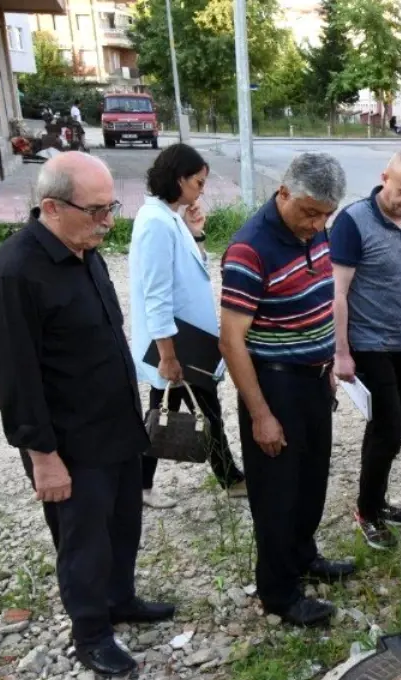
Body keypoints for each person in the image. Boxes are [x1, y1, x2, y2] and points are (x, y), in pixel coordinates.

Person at [0, 152, 172, 677]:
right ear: (51, 206)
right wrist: (43, 456)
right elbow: (16, 378)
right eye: (96, 211)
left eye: (112, 208)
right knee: (83, 540)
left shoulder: (85, 249)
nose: (108, 222)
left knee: (122, 524)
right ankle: (91, 633)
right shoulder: (15, 274)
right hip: (69, 442)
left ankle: (120, 599)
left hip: (116, 423)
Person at [219, 153, 356, 628]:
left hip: (315, 379)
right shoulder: (249, 250)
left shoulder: (316, 232)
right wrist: (260, 413)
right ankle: (278, 591)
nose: (317, 224)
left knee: (311, 480)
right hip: (275, 384)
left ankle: (303, 556)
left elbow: (320, 300)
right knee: (276, 493)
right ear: (283, 193)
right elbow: (231, 339)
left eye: (326, 215)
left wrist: (330, 366)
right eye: (309, 212)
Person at [129, 143, 245, 510]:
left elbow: (190, 271)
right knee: (187, 409)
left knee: (174, 410)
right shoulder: (155, 223)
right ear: (179, 179)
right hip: (176, 340)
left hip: (187, 337)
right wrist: (167, 354)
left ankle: (143, 485)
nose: (202, 189)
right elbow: (157, 293)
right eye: (198, 181)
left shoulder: (170, 218)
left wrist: (195, 231)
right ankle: (228, 478)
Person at [331, 149, 401, 549]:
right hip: (367, 344)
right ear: (385, 177)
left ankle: (375, 501)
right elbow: (338, 293)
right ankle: (367, 510)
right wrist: (341, 353)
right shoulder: (352, 222)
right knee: (390, 429)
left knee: (383, 429)